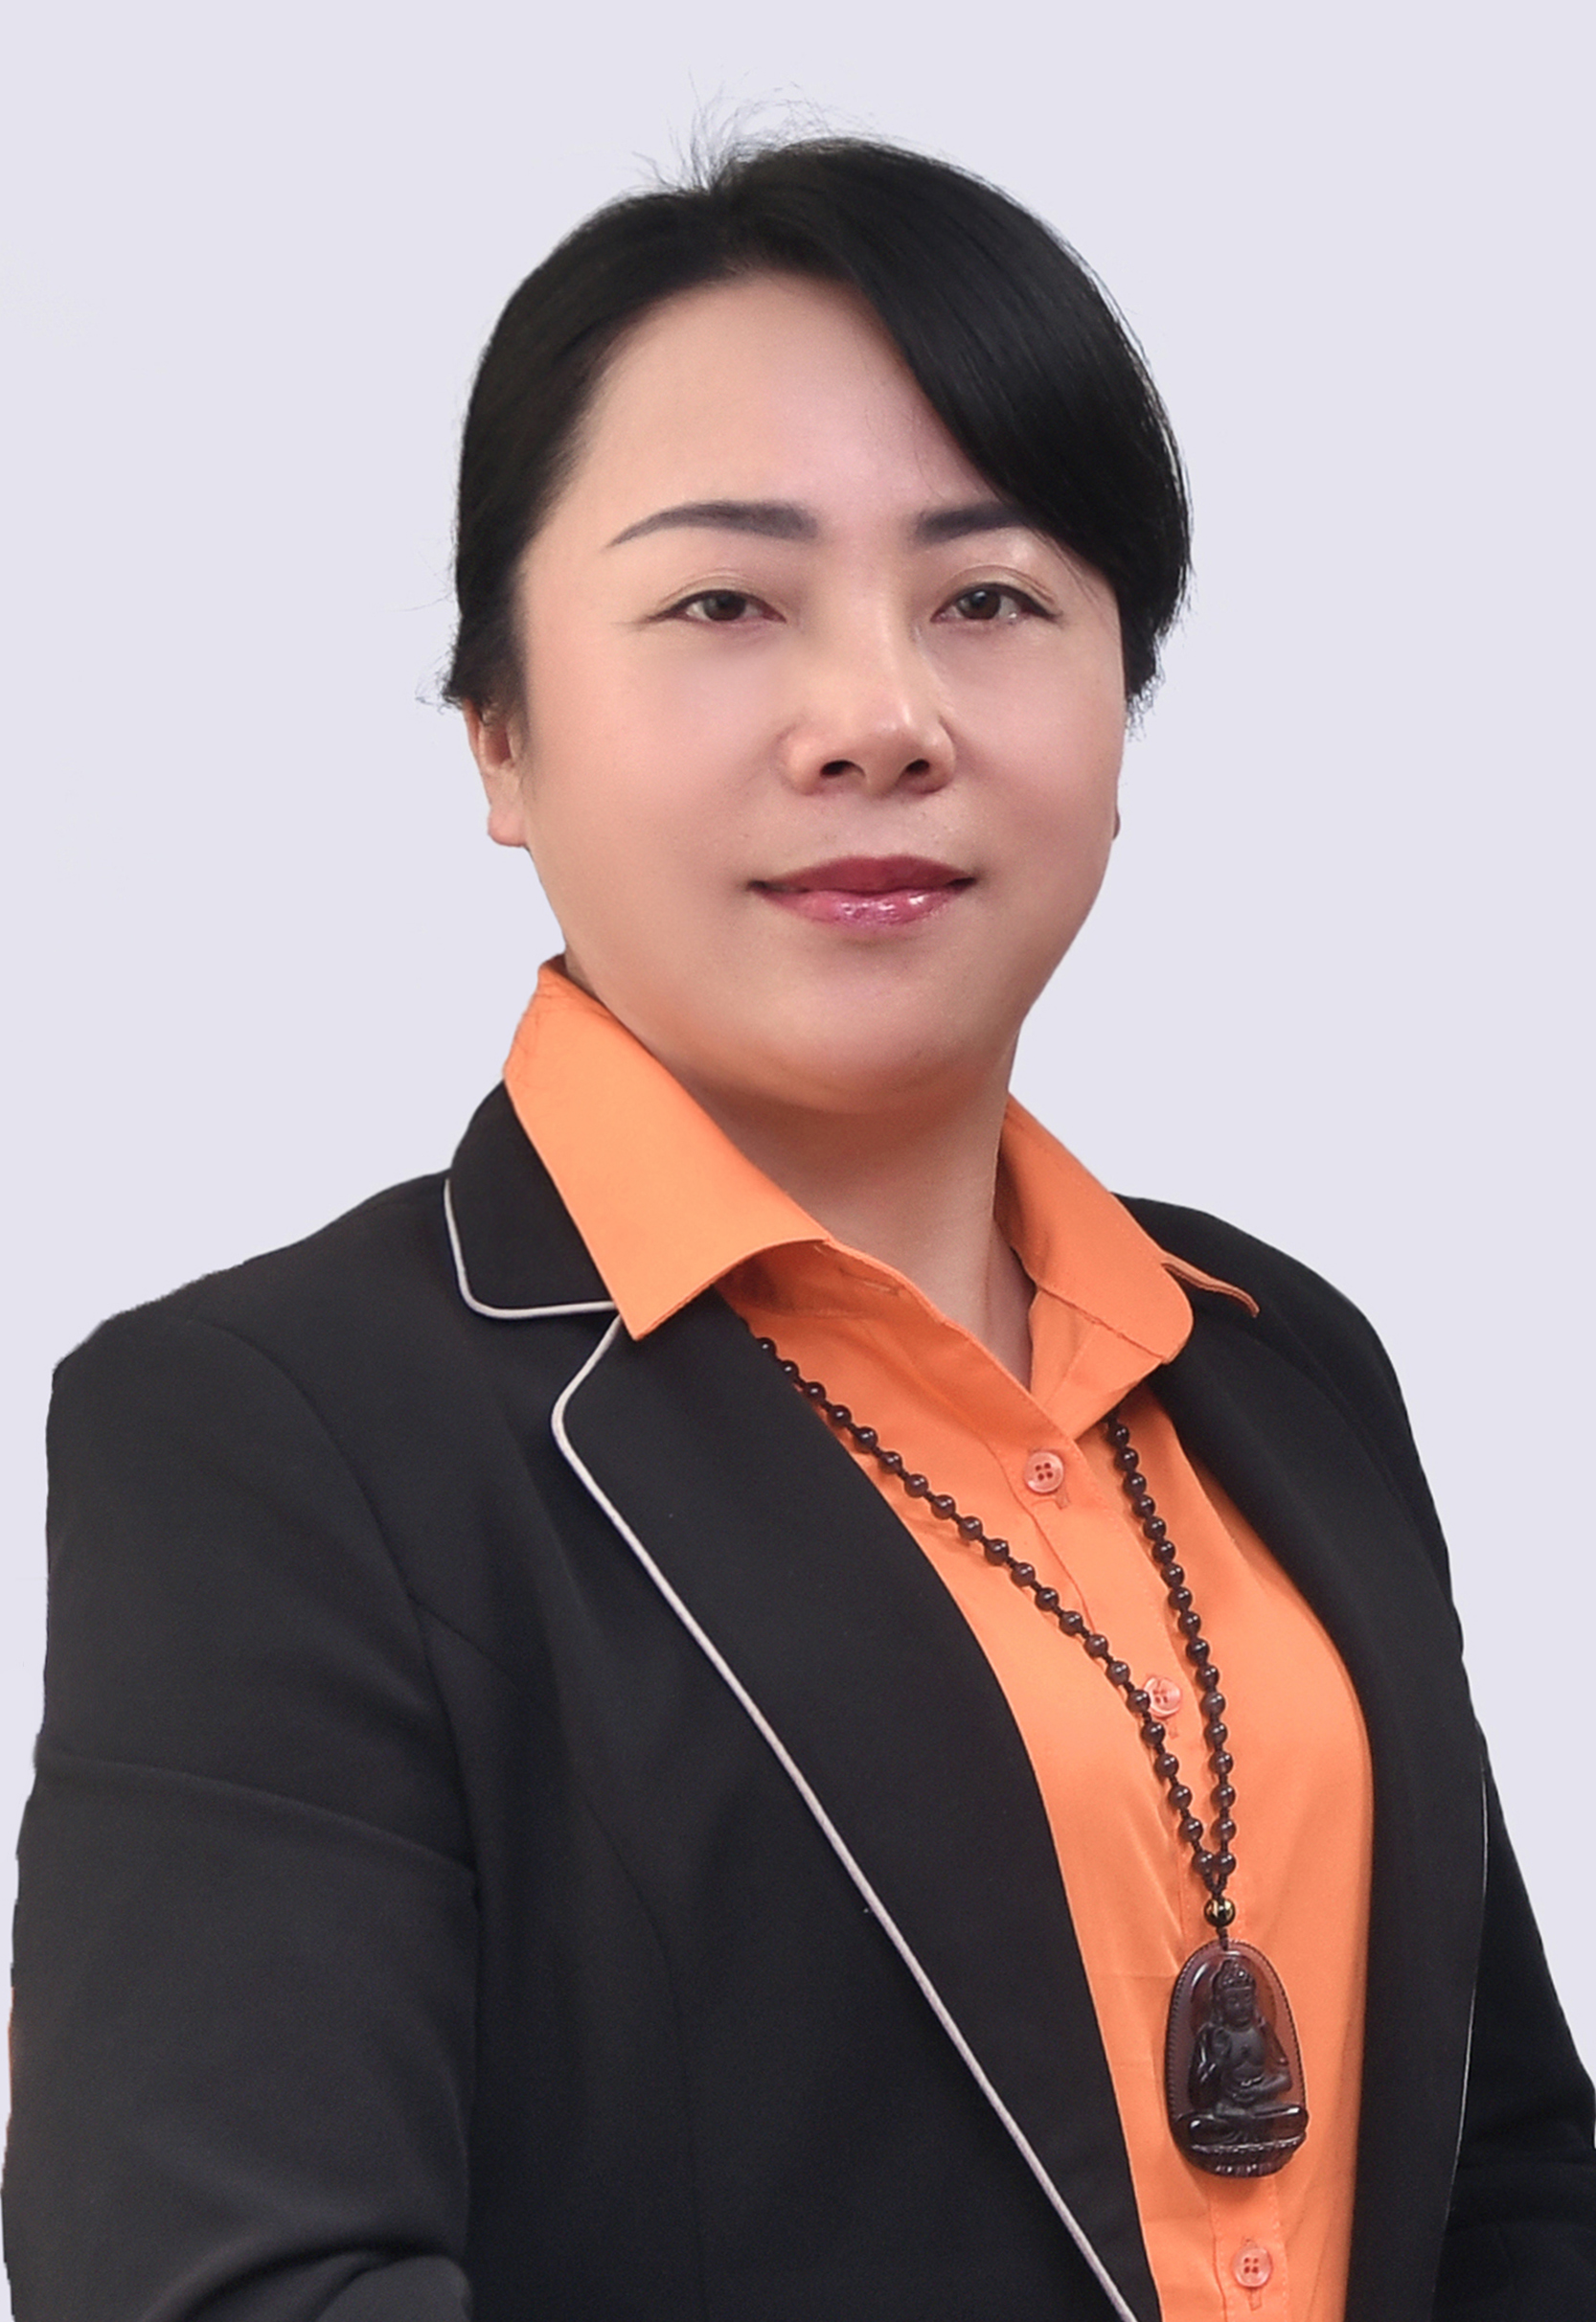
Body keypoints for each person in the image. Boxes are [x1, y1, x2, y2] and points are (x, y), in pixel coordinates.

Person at [4, 136, 1593, 2322]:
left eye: (990, 599)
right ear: (499, 733)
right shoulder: (274, 1435)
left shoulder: (1279, 1355)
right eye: (722, 605)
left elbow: (1506, 2177)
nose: (877, 721)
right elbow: (236, 2287)